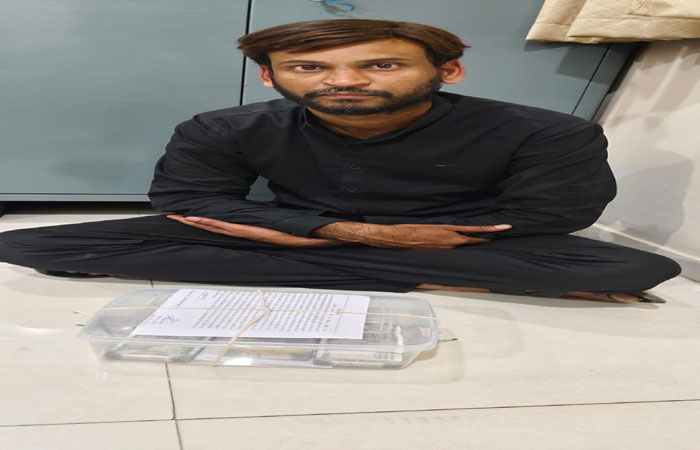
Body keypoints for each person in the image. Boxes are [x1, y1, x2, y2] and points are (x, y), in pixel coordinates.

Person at [0, 19, 681, 303]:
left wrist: (281, 238)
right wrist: (358, 235)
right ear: (271, 76)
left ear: (449, 70)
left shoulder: (550, 131)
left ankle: (351, 271)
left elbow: (552, 215)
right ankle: (426, 280)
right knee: (33, 243)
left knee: (638, 268)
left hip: (454, 236)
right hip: (318, 230)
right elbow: (188, 200)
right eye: (309, 67)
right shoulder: (221, 126)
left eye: (380, 65)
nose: (344, 81)